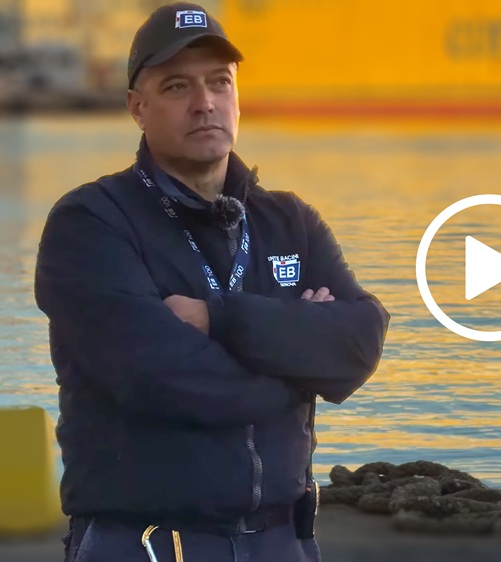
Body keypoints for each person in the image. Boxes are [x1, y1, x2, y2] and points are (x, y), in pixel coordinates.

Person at [34, 3, 389, 561]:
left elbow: (361, 342)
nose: (205, 102)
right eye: (177, 86)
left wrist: (216, 318)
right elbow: (160, 379)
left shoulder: (289, 220)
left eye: (220, 82)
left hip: (284, 541)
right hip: (147, 544)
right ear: (137, 107)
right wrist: (298, 368)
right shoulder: (91, 223)